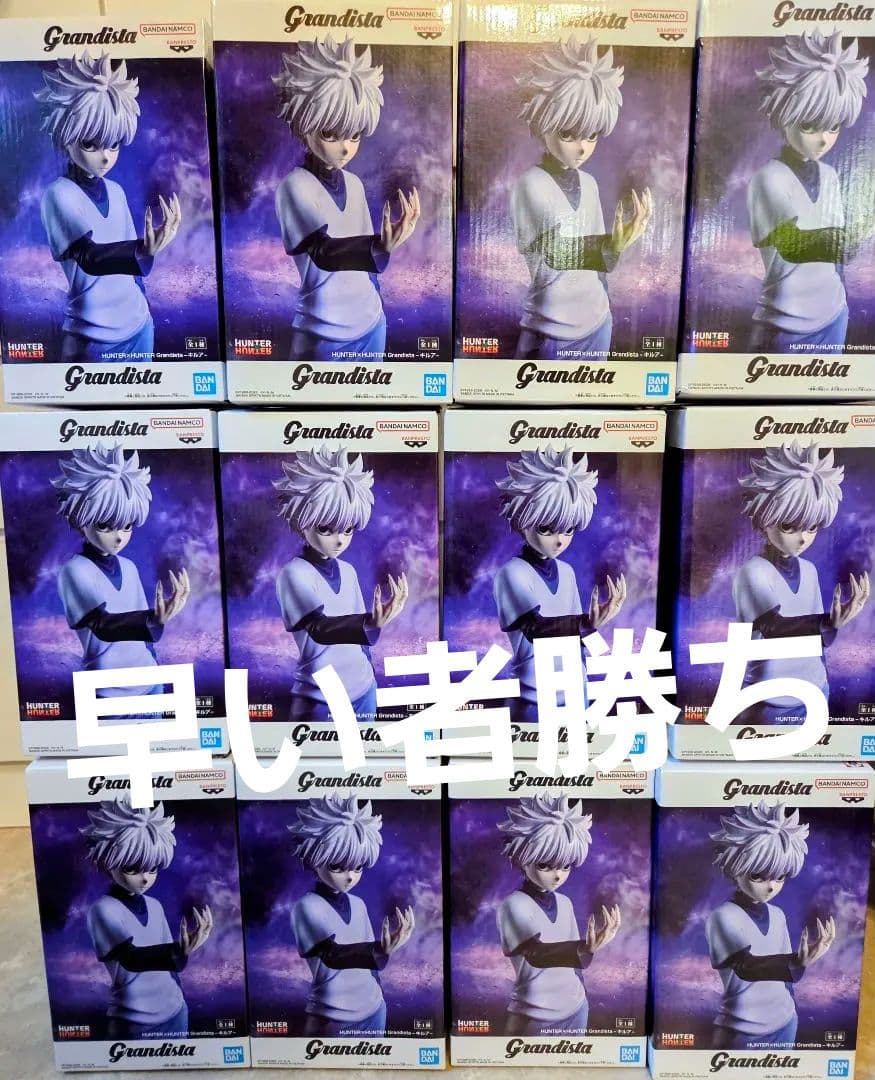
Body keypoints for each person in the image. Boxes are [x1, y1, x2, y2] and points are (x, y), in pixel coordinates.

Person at [272, 35, 420, 361]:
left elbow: (367, 269)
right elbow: (324, 252)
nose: (345, 148)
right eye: (330, 133)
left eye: (354, 135)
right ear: (303, 125)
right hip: (321, 332)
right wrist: (379, 245)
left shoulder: (354, 184)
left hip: (371, 324)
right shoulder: (294, 186)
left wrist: (379, 292)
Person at [34, 51, 181, 363]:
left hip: (139, 326)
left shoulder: (116, 191)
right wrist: (142, 249)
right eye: (90, 143)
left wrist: (145, 296)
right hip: (91, 337)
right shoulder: (59, 194)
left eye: (113, 144)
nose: (105, 156)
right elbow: (90, 257)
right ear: (65, 136)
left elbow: (133, 272)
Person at [511, 35, 651, 362]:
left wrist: (613, 250)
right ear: (543, 123)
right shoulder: (530, 183)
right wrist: (612, 243)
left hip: (598, 322)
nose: (582, 147)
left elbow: (601, 265)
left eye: (591, 135)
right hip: (550, 328)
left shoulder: (590, 184)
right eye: (568, 134)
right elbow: (555, 252)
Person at [747, 30, 870, 353]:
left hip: (834, 314)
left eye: (833, 126)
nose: (824, 139)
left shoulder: (830, 176)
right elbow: (792, 245)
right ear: (783, 114)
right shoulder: (768, 178)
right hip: (783, 322)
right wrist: (848, 239)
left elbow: (837, 259)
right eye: (809, 125)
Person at [732, 441, 869, 724]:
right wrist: (825, 622)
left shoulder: (809, 570)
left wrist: (833, 624)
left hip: (816, 693)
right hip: (770, 702)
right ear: (764, 519)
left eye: (812, 526)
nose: (803, 537)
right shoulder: (753, 572)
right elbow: (773, 627)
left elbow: (820, 642)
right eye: (788, 526)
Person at [274, 445, 408, 723]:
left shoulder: (348, 571)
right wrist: (369, 622)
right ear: (302, 521)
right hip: (321, 697)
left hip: (364, 688)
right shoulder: (294, 574)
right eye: (325, 528)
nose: (339, 540)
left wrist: (372, 636)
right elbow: (319, 628)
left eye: (348, 529)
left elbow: (362, 640)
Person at [493, 446, 626, 723]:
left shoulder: (567, 572)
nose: (559, 540)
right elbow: (536, 629)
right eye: (546, 528)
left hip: (576, 694)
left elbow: (579, 637)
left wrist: (599, 635)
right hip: (533, 698)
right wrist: (587, 623)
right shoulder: (512, 573)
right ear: (522, 521)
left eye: (568, 529)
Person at [53, 443, 190, 701]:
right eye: (105, 526)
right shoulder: (74, 570)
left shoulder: (128, 567)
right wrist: (153, 618)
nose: (119, 537)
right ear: (81, 520)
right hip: (107, 692)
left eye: (127, 526)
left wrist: (155, 632)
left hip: (150, 684)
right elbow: (103, 625)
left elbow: (144, 637)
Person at [706, 800, 835, 1049]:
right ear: (734, 869)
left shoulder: (778, 915)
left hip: (786, 1022)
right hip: (741, 1030)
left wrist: (799, 966)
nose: (771, 886)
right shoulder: (722, 916)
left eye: (779, 876)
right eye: (757, 875)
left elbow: (786, 978)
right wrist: (797, 961)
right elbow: (746, 967)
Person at [82, 797, 213, 1039]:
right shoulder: (103, 910)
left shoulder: (155, 906)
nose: (145, 878)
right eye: (132, 868)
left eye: (152, 869)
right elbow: (132, 959)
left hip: (176, 1011)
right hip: (132, 1020)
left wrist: (185, 950)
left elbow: (174, 967)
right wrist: (178, 950)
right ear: (109, 862)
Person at [289, 794, 414, 1036]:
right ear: (314, 859)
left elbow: (372, 966)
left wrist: (382, 957)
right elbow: (333, 955)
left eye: (358, 867)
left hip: (374, 1009)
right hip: (331, 1017)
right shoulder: (306, 906)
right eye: (337, 866)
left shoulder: (358, 905)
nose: (350, 876)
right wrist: (379, 949)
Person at [496, 794, 620, 1035]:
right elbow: (536, 954)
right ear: (522, 858)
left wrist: (587, 954)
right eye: (544, 865)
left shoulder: (565, 903)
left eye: (565, 866)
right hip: (533, 1015)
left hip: (577, 1008)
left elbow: (577, 965)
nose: (557, 875)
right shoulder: (513, 905)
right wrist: (584, 947)